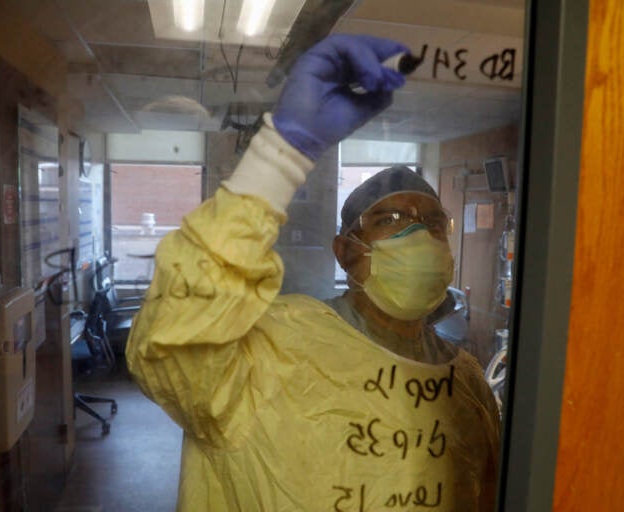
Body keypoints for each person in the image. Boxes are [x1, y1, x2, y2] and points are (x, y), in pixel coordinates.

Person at [125, 34, 500, 511]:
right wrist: (280, 155)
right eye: (392, 221)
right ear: (346, 251)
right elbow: (171, 342)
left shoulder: (465, 382)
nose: (420, 237)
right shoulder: (274, 348)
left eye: (432, 224)